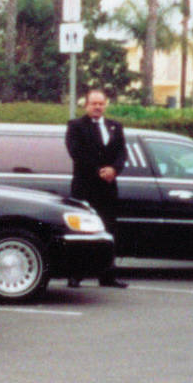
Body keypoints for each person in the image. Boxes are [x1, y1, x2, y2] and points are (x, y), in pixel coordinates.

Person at [64, 89, 128, 288]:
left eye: (101, 103)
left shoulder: (115, 127)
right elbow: (76, 153)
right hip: (85, 187)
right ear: (86, 105)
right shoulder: (75, 126)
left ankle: (107, 275)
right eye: (94, 104)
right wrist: (100, 170)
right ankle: (75, 275)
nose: (98, 107)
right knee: (81, 231)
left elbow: (122, 153)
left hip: (108, 188)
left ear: (106, 105)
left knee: (108, 230)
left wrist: (114, 170)